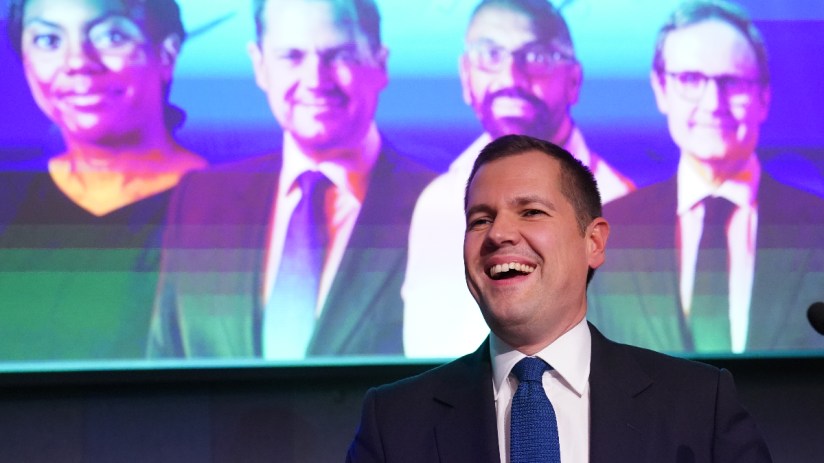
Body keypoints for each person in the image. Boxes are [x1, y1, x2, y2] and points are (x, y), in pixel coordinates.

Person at [346, 134, 771, 462]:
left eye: (531, 212)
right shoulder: (394, 422)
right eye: (480, 220)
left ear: (594, 242)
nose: (498, 234)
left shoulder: (698, 405)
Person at [147, 0, 434, 359]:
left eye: (340, 55)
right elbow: (165, 364)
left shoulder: (443, 207)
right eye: (291, 56)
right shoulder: (199, 200)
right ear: (260, 66)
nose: (315, 81)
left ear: (380, 63)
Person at [587, 0, 824, 354]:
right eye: (690, 79)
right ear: (661, 89)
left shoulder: (818, 228)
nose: (713, 102)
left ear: (764, 96)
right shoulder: (610, 233)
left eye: (733, 82)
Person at [402, 0, 635, 358]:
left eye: (537, 57)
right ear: (466, 76)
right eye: (490, 55)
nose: (511, 77)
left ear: (574, 80)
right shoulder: (437, 203)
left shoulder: (623, 202)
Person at [0, 0, 206, 360]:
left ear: (166, 54)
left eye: (111, 37)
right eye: (48, 41)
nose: (77, 62)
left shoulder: (229, 209)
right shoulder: (10, 197)